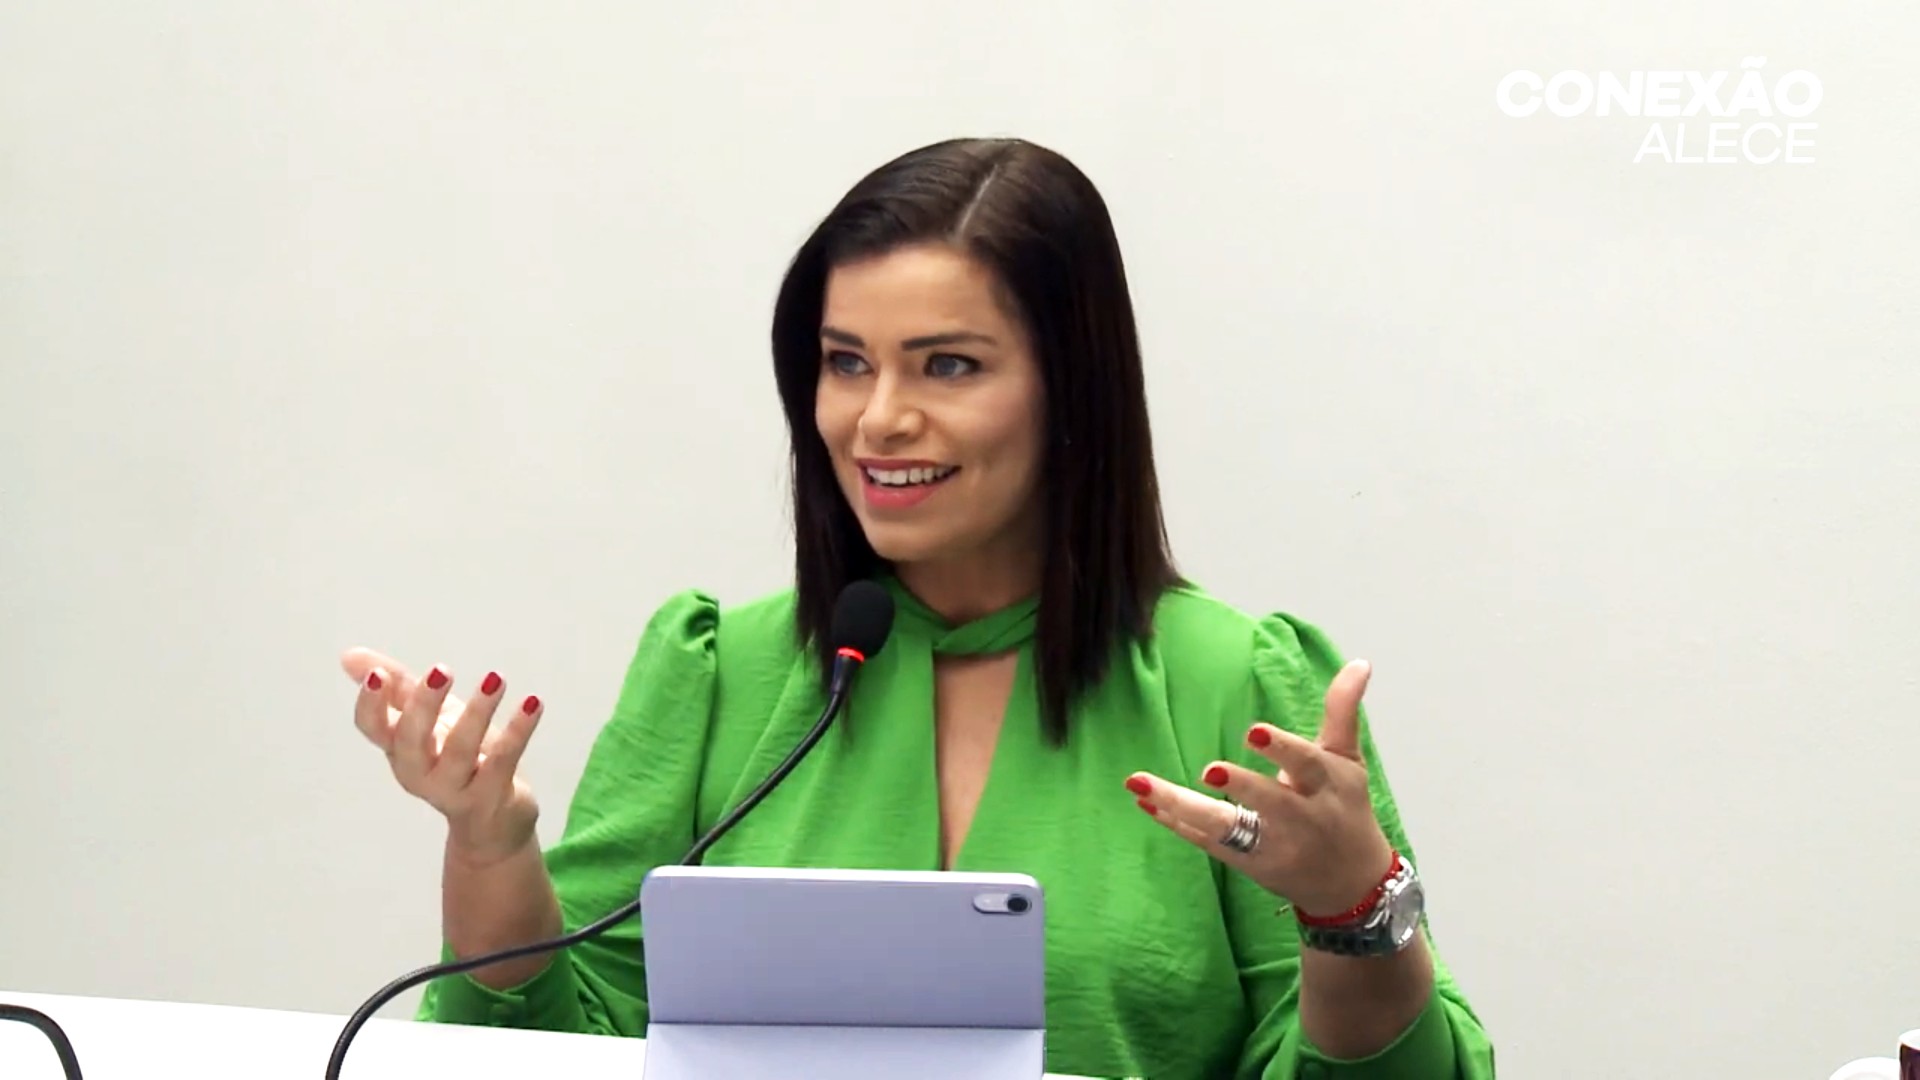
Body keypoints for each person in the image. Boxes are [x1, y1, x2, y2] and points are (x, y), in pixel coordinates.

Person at [343, 136, 1495, 1080]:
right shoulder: (716, 669)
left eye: (947, 366)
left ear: (1072, 389)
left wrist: (1352, 910)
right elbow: (562, 1052)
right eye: (847, 362)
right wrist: (491, 851)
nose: (878, 419)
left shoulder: (1234, 683)